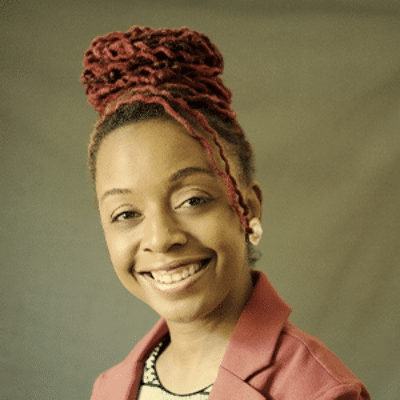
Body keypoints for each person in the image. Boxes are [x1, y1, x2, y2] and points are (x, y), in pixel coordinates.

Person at [81, 26, 371, 400]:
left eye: (192, 200)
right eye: (125, 214)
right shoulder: (110, 388)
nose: (160, 238)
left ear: (246, 208)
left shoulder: (321, 391)